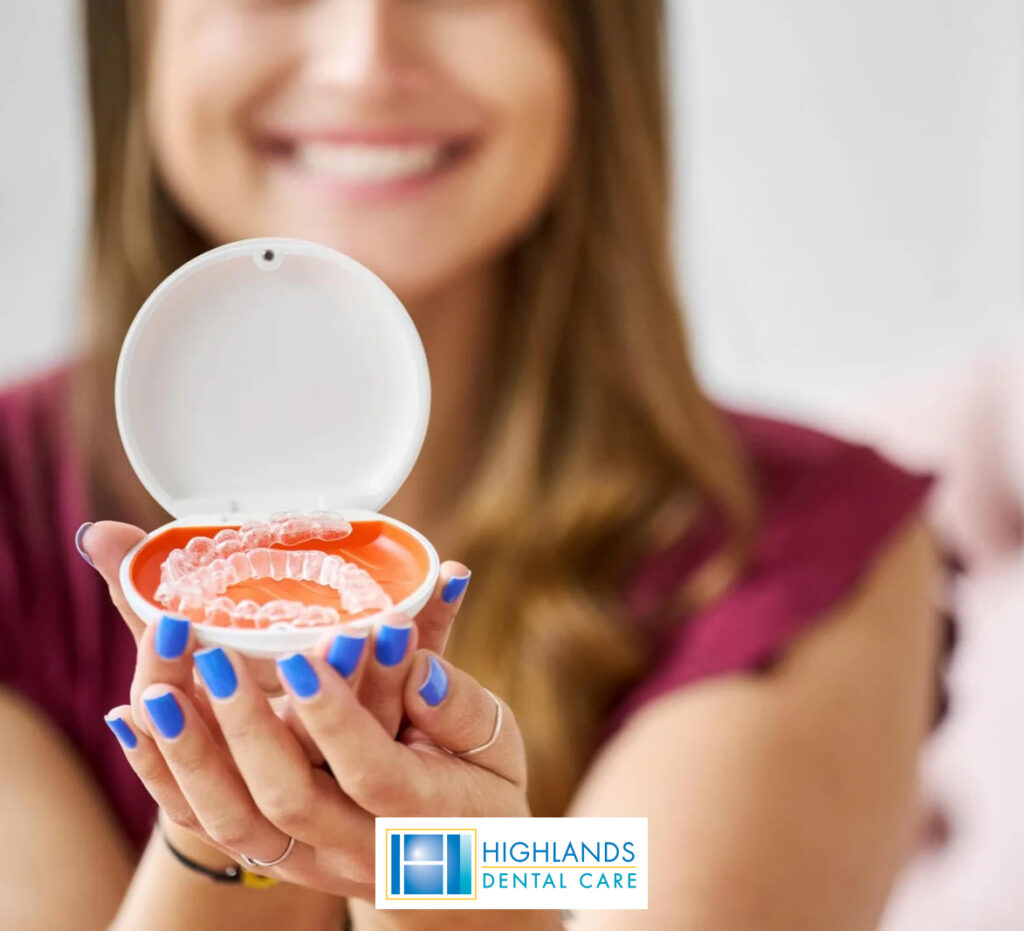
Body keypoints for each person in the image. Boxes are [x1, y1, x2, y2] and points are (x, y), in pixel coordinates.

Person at [0, 1, 946, 928]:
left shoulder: (797, 549)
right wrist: (220, 848)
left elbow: (616, 878)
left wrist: (457, 873)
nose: (364, 60)